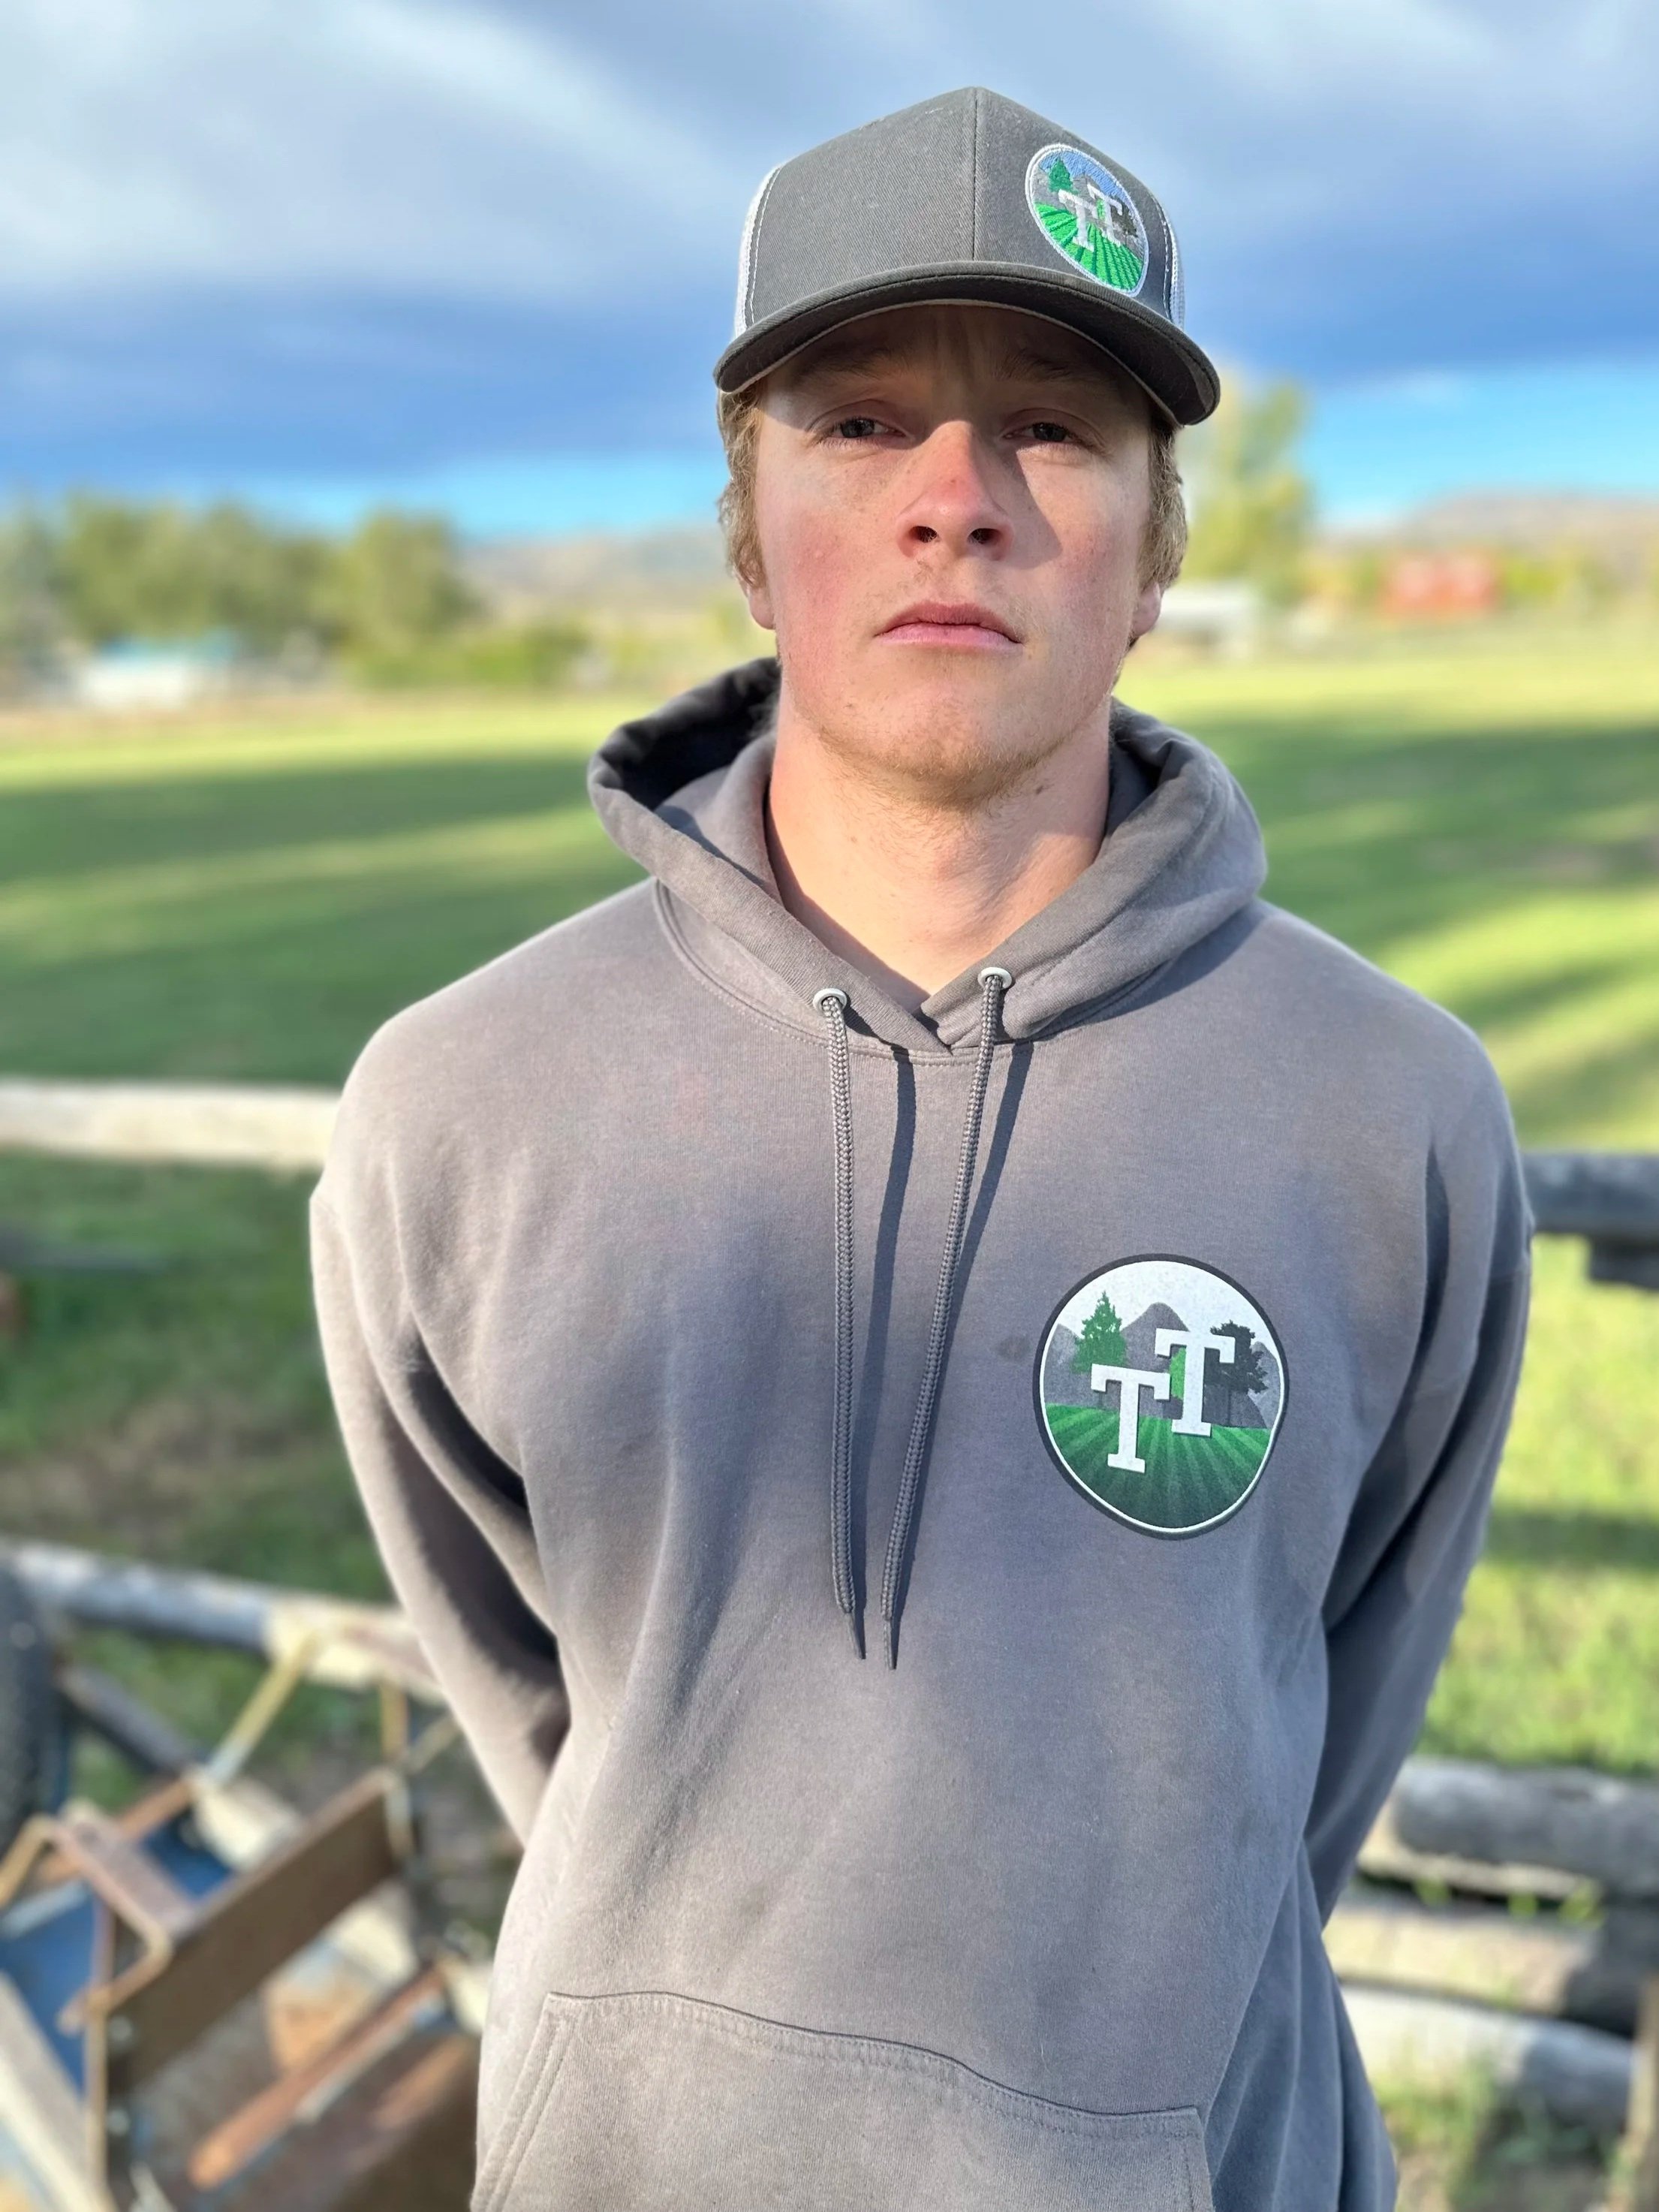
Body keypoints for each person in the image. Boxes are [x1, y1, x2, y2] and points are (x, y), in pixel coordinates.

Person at [310, 87, 1531, 2212]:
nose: (953, 497)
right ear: (744, 520)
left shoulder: (1394, 1114)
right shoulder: (458, 1097)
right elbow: (543, 1696)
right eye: (858, 421)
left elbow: (1317, 1722)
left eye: (1054, 427)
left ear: (1157, 548)